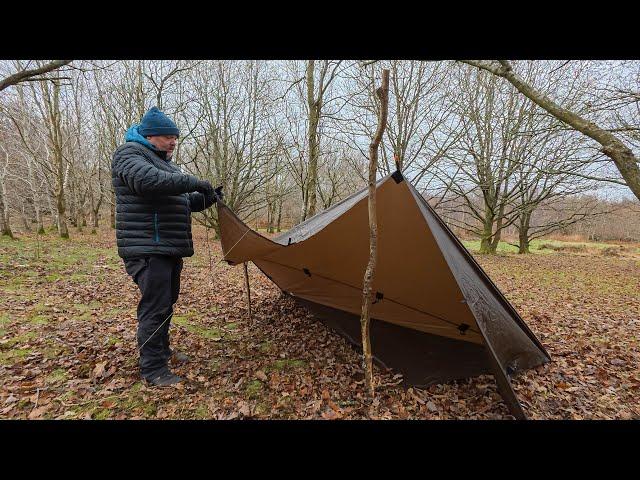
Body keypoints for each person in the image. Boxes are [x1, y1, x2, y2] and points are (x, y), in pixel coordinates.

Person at [111, 106, 222, 386]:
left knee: (166, 304)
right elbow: (147, 182)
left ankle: (162, 350)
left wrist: (207, 198)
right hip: (148, 247)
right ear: (150, 136)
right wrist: (194, 181)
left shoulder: (165, 164)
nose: (173, 141)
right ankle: (153, 369)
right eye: (167, 136)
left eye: (175, 137)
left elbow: (181, 202)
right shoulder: (129, 155)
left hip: (167, 248)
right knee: (155, 307)